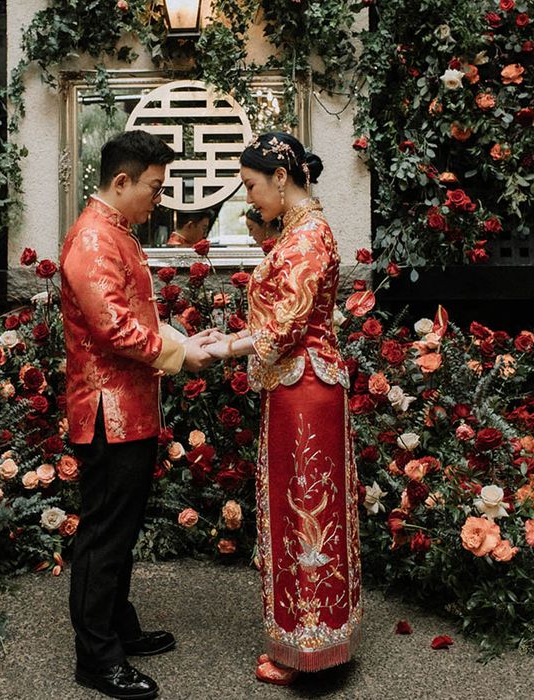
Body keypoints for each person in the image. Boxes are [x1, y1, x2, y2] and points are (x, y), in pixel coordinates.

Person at [59, 129, 216, 700]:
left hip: (127, 407)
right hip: (108, 412)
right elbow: (116, 329)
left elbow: (135, 317)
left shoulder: (113, 233)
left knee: (118, 530)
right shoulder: (95, 240)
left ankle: (115, 629)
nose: (160, 197)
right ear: (121, 181)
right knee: (104, 535)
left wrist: (186, 340)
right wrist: (184, 352)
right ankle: (96, 658)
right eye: (154, 186)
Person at [204, 132, 362, 685]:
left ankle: (309, 650)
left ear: (280, 176)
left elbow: (285, 323)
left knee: (305, 514)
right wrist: (224, 337)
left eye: (251, 185)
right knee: (303, 511)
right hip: (302, 386)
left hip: (305, 390)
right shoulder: (303, 231)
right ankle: (313, 640)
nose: (250, 198)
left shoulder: (307, 237)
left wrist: (224, 346)